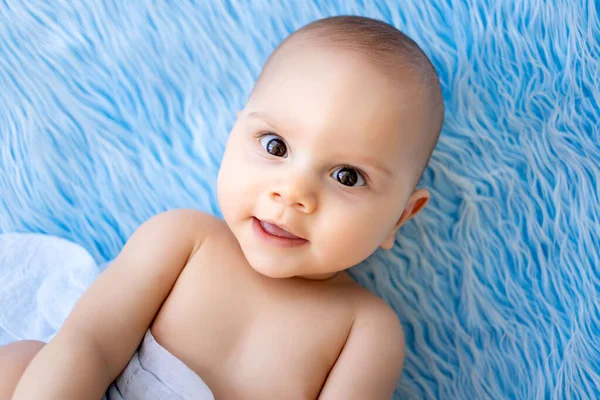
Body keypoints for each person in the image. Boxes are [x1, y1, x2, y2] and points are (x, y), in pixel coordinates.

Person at [1, 15, 444, 400]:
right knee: (20, 364)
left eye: (347, 176)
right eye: (275, 146)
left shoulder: (364, 330)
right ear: (234, 137)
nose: (292, 193)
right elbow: (89, 343)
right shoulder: (183, 240)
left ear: (401, 216)